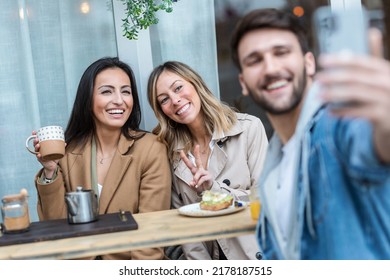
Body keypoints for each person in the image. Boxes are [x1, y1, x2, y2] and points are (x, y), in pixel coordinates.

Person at [230, 8, 390, 259]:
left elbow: (374, 141)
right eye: (255, 60)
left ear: (309, 63)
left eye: (281, 53)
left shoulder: (338, 123)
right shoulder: (273, 170)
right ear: (243, 83)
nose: (270, 68)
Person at [33, 57, 172, 260]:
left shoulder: (151, 148)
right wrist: (50, 170)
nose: (119, 100)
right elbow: (56, 229)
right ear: (88, 100)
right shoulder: (68, 151)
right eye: (107, 91)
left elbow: (151, 235)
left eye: (126, 91)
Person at [147, 61, 268, 259]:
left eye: (178, 88)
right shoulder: (172, 152)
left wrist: (214, 189)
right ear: (162, 111)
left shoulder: (249, 129)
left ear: (196, 85)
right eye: (164, 99)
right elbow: (186, 229)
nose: (175, 100)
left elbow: (263, 202)